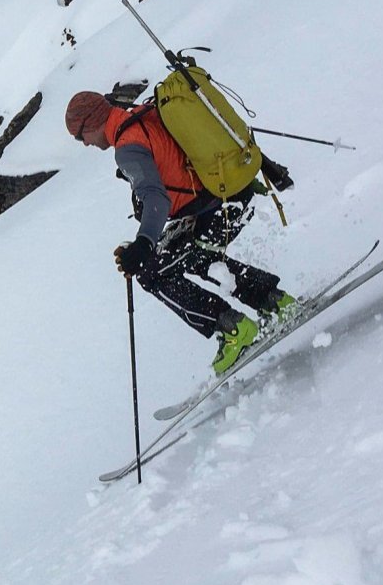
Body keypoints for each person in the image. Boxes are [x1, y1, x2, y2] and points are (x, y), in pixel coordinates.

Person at [65, 89, 296, 375]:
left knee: (153, 272)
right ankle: (274, 303)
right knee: (187, 255)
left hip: (220, 206)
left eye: (79, 136)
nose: (84, 144)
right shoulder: (143, 114)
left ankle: (233, 327)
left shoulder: (127, 147)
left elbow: (157, 201)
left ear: (90, 123)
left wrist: (143, 245)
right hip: (233, 194)